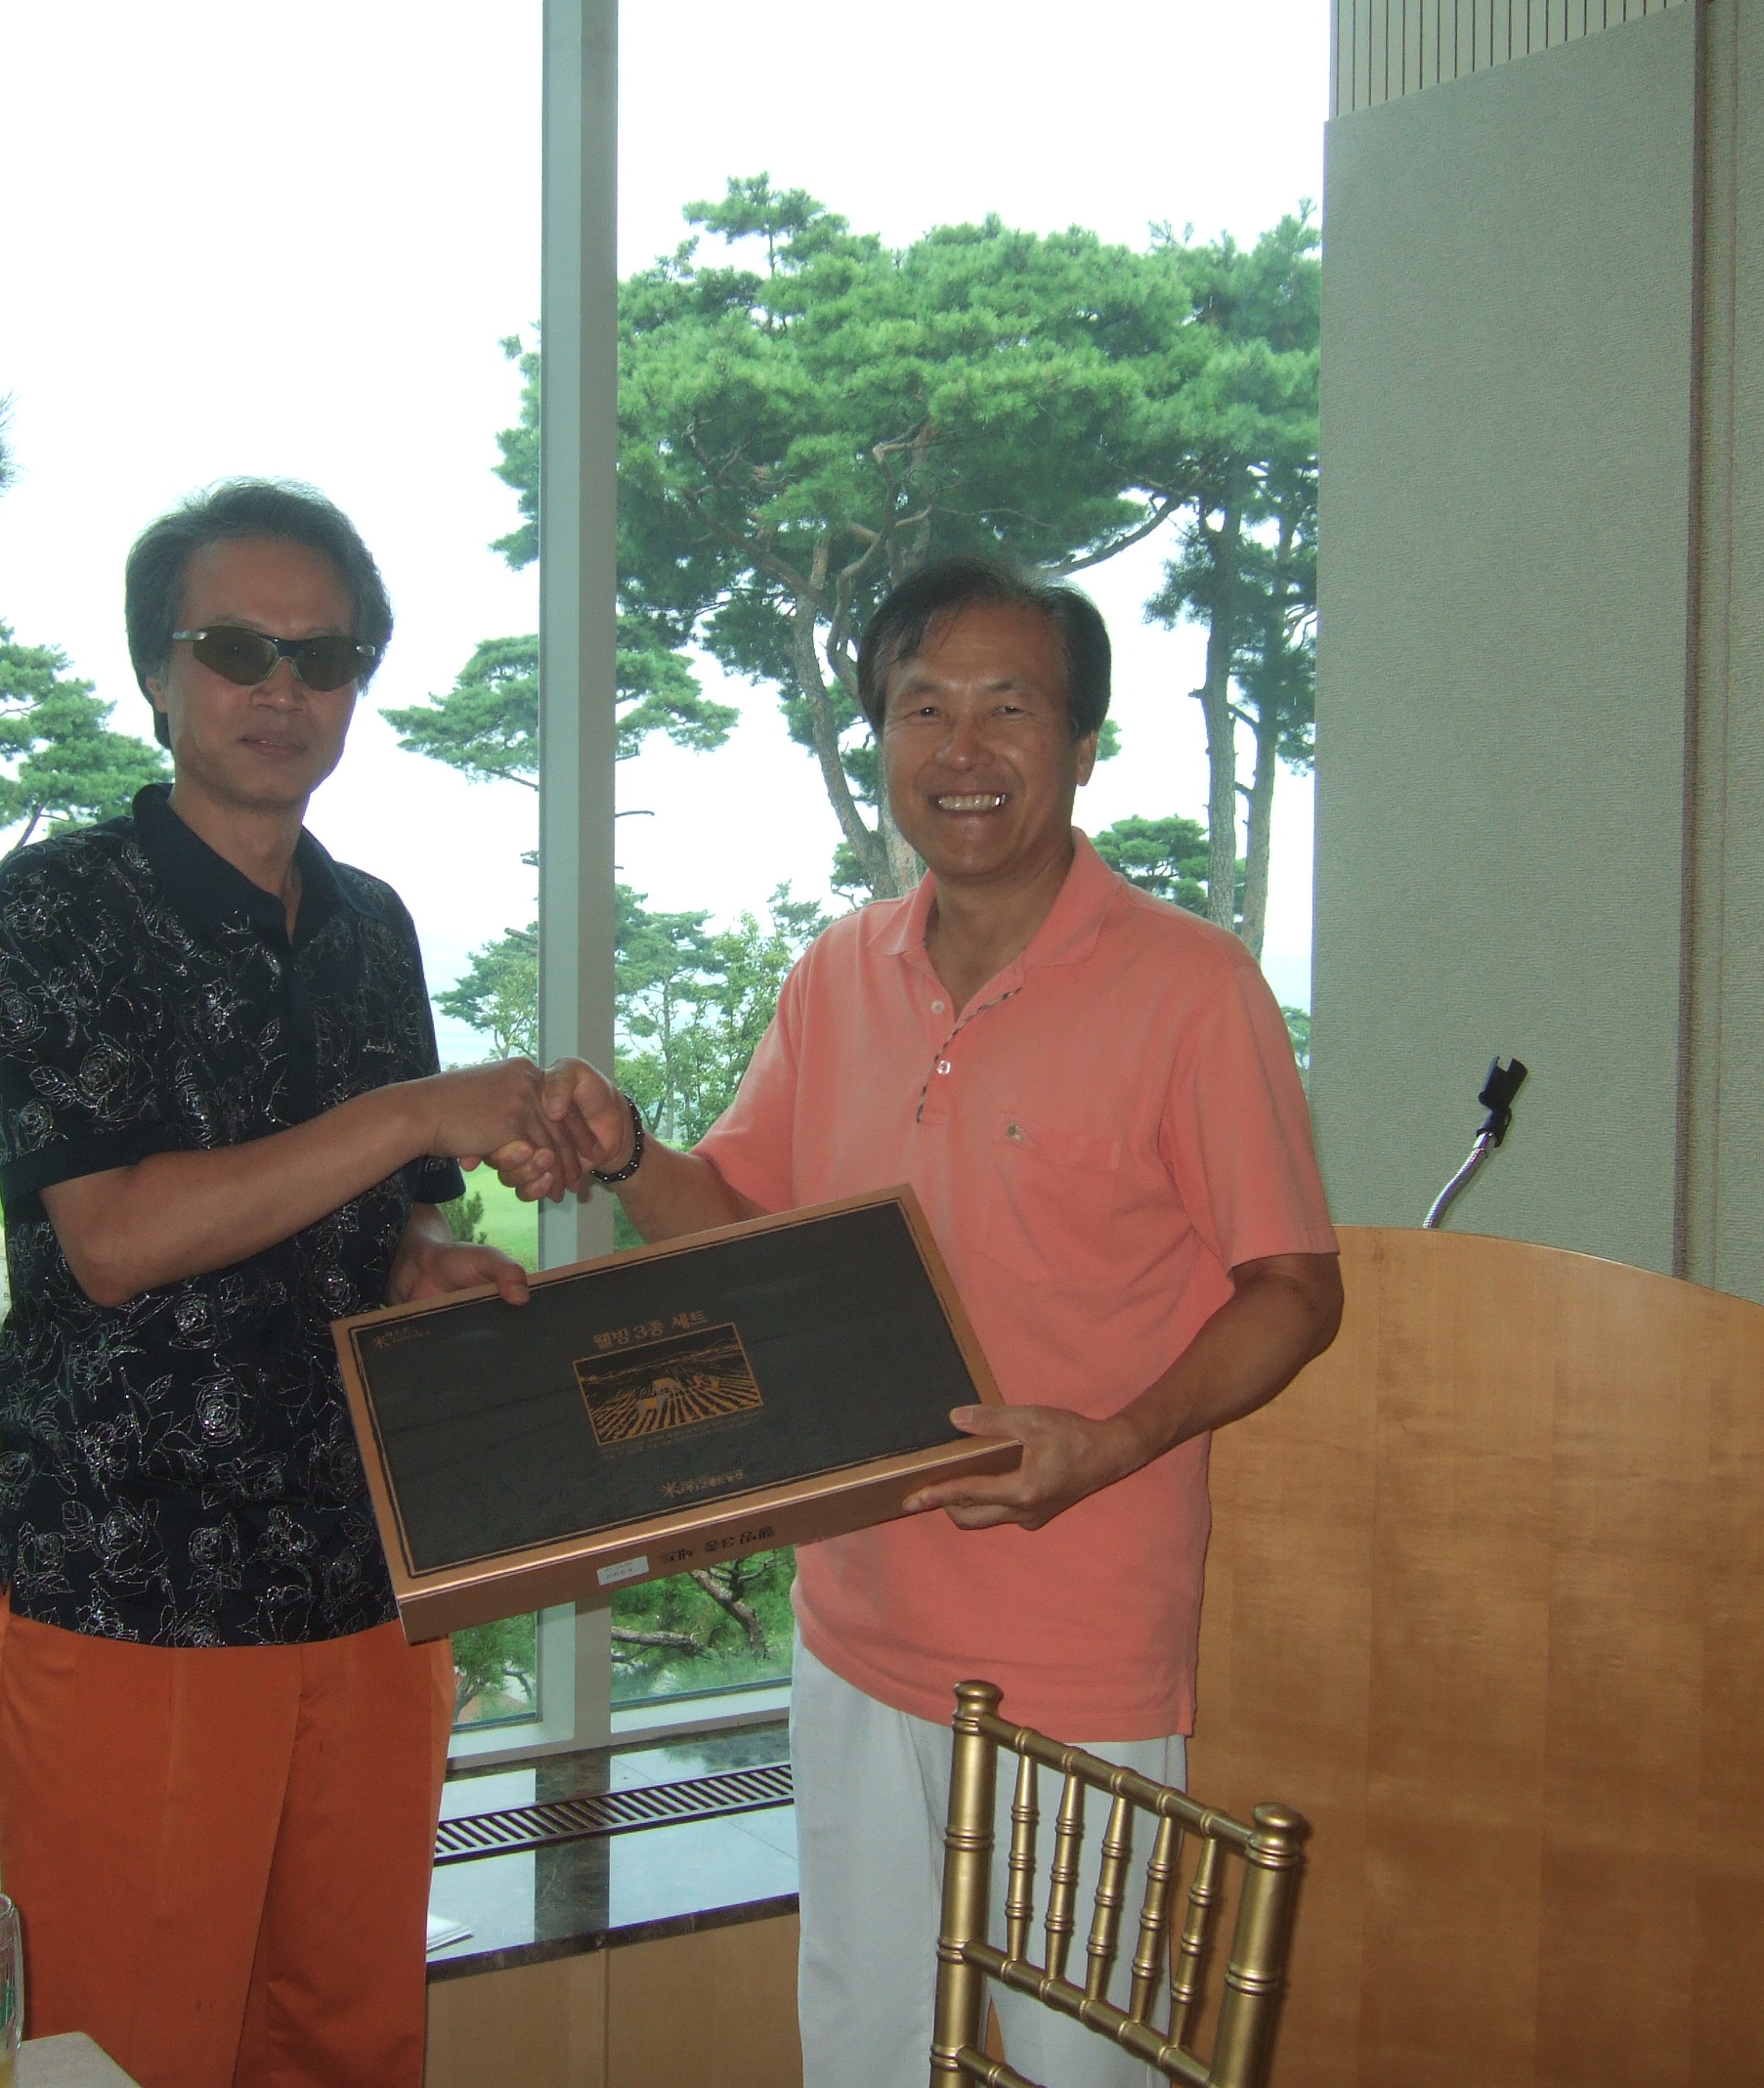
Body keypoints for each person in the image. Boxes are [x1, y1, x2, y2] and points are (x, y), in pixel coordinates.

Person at [499, 555, 1344, 2086]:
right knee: (866, 2051)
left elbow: (1296, 1288)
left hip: (1080, 1654)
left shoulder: (1194, 989)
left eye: (1009, 709)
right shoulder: (839, 975)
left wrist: (1114, 1442)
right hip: (856, 1633)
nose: (963, 750)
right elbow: (743, 1230)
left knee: (1083, 2070)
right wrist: (627, 1156)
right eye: (922, 708)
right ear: (880, 737)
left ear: (1082, 744)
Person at [0, 480, 570, 2088]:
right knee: (127, 2052)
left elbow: (390, 1240)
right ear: (155, 670)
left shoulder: (372, 928)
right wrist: (411, 1113)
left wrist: (434, 1279)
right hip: (131, 1597)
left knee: (350, 2038)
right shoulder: (60, 908)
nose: (281, 689)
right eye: (236, 649)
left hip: (367, 1585)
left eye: (325, 655)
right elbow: (115, 1238)